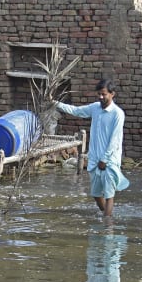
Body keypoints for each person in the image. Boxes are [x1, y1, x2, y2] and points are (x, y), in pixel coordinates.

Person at [53, 79, 129, 217]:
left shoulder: (117, 114)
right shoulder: (95, 108)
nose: (101, 97)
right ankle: (108, 216)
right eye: (99, 94)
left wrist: (105, 159)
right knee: (95, 193)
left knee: (108, 194)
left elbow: (115, 140)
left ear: (112, 94)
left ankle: (107, 225)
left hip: (110, 160)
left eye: (104, 94)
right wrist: (55, 103)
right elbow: (76, 111)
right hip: (94, 158)